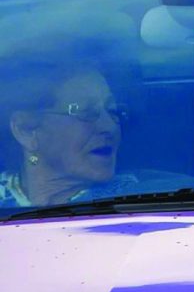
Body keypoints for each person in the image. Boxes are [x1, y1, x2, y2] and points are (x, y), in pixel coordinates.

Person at [2, 44, 146, 209]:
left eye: (112, 110)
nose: (109, 127)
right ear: (25, 130)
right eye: (85, 111)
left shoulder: (146, 199)